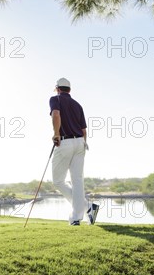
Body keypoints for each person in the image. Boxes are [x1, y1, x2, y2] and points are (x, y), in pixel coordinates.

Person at [49, 77, 97, 225]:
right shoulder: (77, 105)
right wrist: (83, 144)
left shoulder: (55, 99)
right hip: (81, 142)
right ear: (69, 90)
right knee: (77, 181)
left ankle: (85, 208)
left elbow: (56, 115)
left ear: (58, 88)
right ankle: (79, 215)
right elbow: (84, 130)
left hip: (65, 142)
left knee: (58, 181)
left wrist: (56, 134)